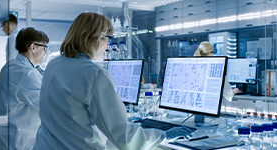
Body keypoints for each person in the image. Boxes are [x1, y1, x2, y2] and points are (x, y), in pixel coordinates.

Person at [33, 12, 193, 150]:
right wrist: (164, 135)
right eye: (106, 38)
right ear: (92, 38)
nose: (108, 44)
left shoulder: (54, 64)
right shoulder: (94, 74)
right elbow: (124, 137)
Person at [0, 27, 49, 150]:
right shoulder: (27, 73)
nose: (45, 53)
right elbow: (47, 104)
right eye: (44, 48)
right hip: (17, 142)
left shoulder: (10, 66)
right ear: (33, 47)